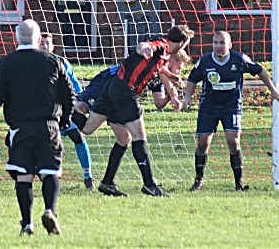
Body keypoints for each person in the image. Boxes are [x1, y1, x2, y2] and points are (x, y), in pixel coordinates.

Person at [81, 25, 195, 197]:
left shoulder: (163, 56)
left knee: (89, 128)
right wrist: (144, 48)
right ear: (182, 42)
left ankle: (107, 183)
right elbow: (145, 46)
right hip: (125, 90)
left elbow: (157, 66)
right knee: (139, 136)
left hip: (112, 86)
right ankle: (149, 185)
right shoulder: (162, 45)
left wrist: (171, 77)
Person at [0, 19, 76, 236]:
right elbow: (69, 93)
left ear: (16, 38)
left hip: (20, 128)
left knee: (24, 176)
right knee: (51, 171)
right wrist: (65, 117)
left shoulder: (7, 63)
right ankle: (50, 211)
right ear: (38, 38)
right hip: (49, 125)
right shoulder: (53, 61)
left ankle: (27, 223)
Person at [182, 31, 279, 192]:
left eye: (222, 43)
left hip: (231, 107)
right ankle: (198, 180)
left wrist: (273, 91)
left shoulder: (239, 59)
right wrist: (187, 97)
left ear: (229, 45)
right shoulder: (205, 61)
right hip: (209, 108)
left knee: (233, 142)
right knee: (202, 144)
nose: (218, 46)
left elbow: (260, 70)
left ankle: (238, 184)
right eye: (215, 42)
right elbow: (192, 78)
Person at [39, 33, 93, 190]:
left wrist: (77, 100)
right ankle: (35, 176)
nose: (45, 46)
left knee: (78, 137)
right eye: (42, 43)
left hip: (63, 110)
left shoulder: (62, 62)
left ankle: (88, 176)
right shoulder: (32, 62)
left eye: (47, 43)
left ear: (53, 46)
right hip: (44, 113)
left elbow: (74, 84)